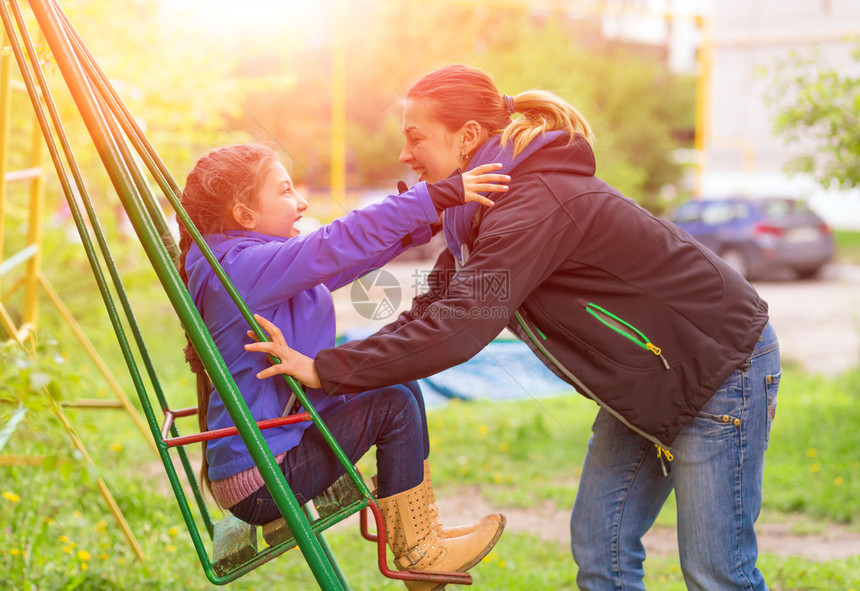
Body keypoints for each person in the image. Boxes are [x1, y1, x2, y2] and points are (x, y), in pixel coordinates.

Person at [243, 65, 782, 591]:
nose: (405, 155)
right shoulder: (482, 207)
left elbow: (463, 324)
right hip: (651, 384)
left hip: (719, 370)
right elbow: (436, 308)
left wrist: (328, 368)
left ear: (468, 137)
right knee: (602, 550)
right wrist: (334, 363)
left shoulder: (535, 202)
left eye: (416, 138)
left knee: (717, 574)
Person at [177, 143, 509, 589]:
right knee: (392, 404)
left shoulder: (252, 260)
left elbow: (346, 257)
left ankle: (422, 533)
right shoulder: (238, 268)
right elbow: (332, 244)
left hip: (275, 451)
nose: (301, 202)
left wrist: (422, 222)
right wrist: (431, 197)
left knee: (399, 385)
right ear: (245, 214)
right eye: (285, 191)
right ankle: (418, 554)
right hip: (261, 480)